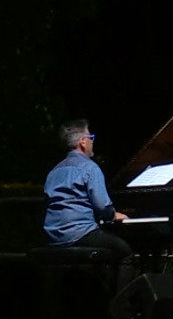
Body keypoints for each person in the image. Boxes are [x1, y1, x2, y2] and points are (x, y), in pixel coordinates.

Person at [43, 119, 135, 295]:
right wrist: (114, 215)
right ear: (82, 142)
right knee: (125, 252)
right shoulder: (90, 168)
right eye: (91, 137)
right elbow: (103, 207)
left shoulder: (54, 171)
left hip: (54, 236)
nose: (93, 141)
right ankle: (120, 307)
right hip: (80, 234)